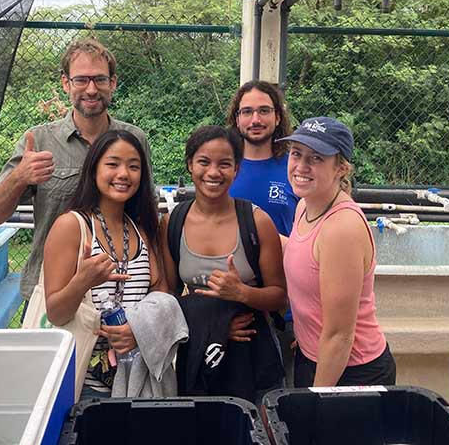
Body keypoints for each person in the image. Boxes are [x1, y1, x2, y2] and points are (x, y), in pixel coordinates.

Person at [0, 38, 152, 307]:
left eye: (100, 79)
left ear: (113, 83)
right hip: (50, 290)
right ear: (66, 83)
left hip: (122, 289)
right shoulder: (39, 141)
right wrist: (19, 177)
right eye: (81, 80)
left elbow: (146, 214)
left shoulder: (134, 140)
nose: (92, 89)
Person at [159, 125, 286, 402]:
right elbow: (167, 297)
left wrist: (242, 293)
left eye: (224, 164)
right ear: (190, 165)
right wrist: (214, 328)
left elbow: (280, 297)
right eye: (204, 162)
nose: (213, 173)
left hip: (252, 355)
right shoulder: (172, 223)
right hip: (196, 354)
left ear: (236, 169)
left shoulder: (256, 222)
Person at [43, 129, 165, 398]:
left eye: (134, 167)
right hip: (83, 382)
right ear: (93, 169)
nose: (123, 174)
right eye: (112, 164)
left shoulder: (143, 229)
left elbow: (161, 294)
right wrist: (82, 280)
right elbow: (56, 313)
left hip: (135, 378)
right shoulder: (71, 226)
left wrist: (138, 330)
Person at [278, 116, 396, 387]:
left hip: (351, 370)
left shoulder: (341, 228)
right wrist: (248, 224)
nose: (301, 166)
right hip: (313, 355)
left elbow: (340, 336)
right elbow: (303, 257)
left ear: (341, 168)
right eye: (296, 154)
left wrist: (318, 401)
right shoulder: (305, 206)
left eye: (316, 158)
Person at [226, 80, 298, 237]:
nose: (255, 120)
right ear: (237, 120)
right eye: (247, 112)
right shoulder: (221, 169)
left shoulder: (296, 169)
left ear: (277, 117)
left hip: (282, 261)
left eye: (264, 111)